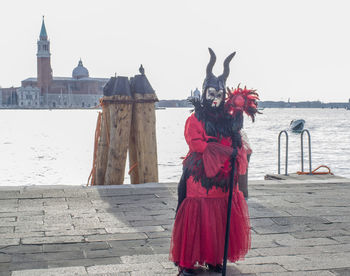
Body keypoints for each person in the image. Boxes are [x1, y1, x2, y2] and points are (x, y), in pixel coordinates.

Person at [169, 48, 259, 276]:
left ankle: (212, 258)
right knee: (194, 216)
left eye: (219, 95)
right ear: (203, 93)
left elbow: (232, 138)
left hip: (222, 180)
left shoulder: (227, 118)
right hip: (199, 176)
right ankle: (186, 262)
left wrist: (237, 124)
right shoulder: (195, 118)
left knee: (217, 219)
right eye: (211, 94)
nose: (216, 99)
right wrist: (223, 150)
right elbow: (196, 143)